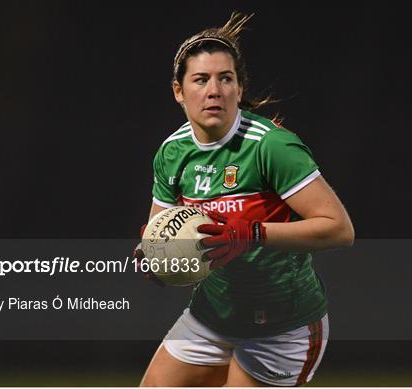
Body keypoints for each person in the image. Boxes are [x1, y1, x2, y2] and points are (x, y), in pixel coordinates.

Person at [138, 11, 354, 387]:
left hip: (283, 327)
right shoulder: (172, 153)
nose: (214, 90)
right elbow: (163, 234)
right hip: (211, 317)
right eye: (201, 80)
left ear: (239, 88)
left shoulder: (271, 147)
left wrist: (251, 233)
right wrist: (156, 259)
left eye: (226, 79)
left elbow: (339, 230)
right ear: (179, 91)